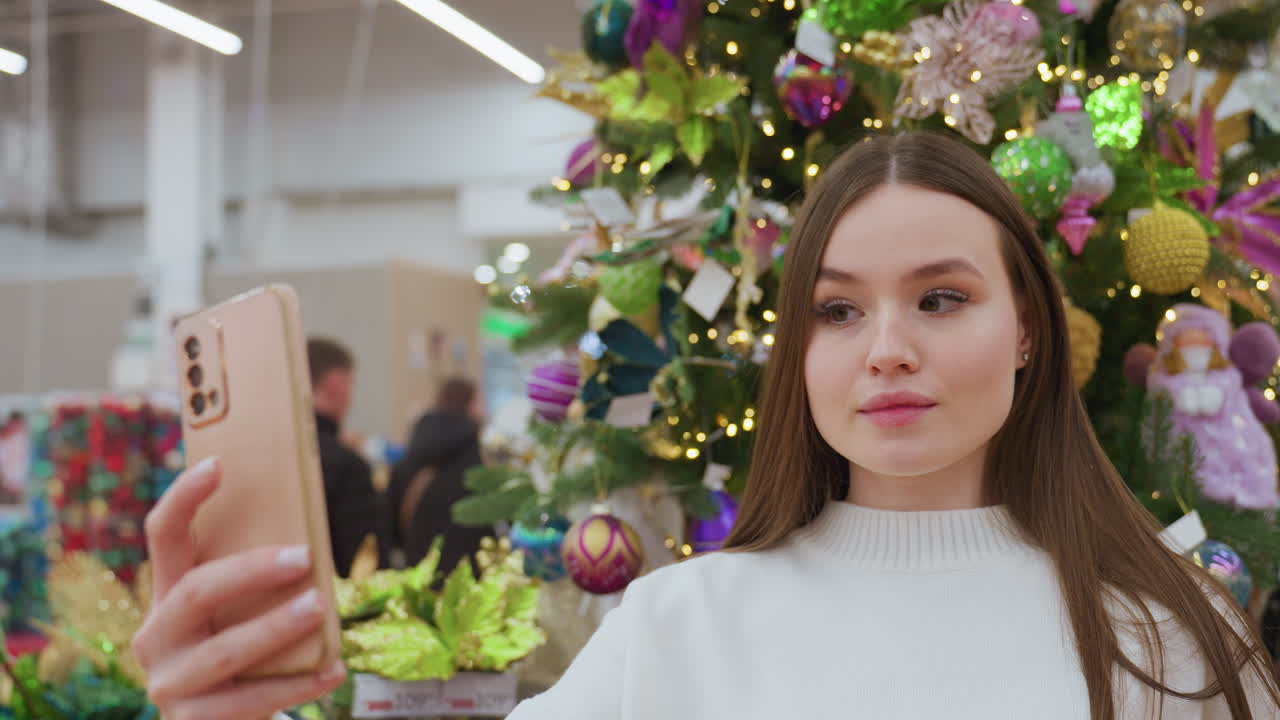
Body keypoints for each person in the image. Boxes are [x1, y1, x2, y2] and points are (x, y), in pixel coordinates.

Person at [131, 132, 1280, 719]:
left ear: (1026, 330)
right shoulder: (675, 629)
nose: (884, 345)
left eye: (939, 297)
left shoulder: (1165, 644)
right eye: (835, 309)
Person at [386, 377, 489, 577]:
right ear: (469, 405)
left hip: (417, 570)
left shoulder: (413, 453)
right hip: (466, 576)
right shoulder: (474, 457)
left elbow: (390, 514)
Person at [306, 337, 384, 578]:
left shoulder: (277, 457)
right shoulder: (348, 466)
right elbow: (364, 565)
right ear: (335, 383)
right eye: (351, 383)